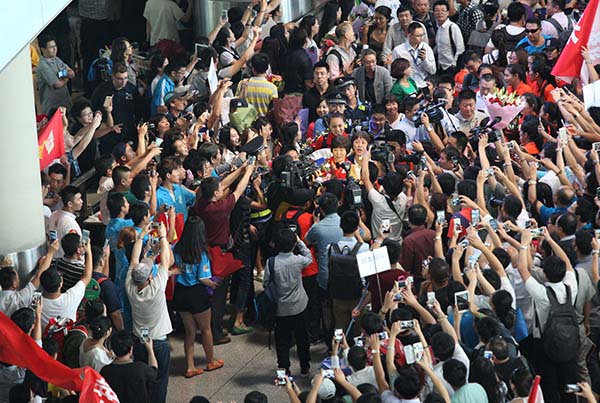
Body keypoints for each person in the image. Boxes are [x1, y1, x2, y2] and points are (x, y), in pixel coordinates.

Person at [126, 222, 173, 403]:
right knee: (160, 381)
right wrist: (162, 236)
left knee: (144, 381)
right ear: (150, 277)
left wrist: (141, 236)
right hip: (158, 341)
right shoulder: (156, 290)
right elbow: (167, 260)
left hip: (139, 340)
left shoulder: (130, 287)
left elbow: (134, 260)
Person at [172, 216, 224, 378]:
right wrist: (214, 284)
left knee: (190, 332)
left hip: (180, 293)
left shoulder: (177, 248)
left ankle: (190, 366)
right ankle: (210, 361)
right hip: (197, 294)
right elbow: (203, 278)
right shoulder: (201, 254)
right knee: (206, 329)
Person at [263, 228, 313, 375]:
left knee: (282, 341)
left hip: (280, 309)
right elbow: (309, 257)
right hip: (299, 306)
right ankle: (305, 365)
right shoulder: (298, 260)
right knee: (302, 338)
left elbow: (266, 282)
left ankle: (284, 368)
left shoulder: (271, 262)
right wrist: (300, 242)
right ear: (293, 245)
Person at [40, 240, 93, 327]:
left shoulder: (37, 303)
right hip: (67, 338)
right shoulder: (71, 298)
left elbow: (39, 276)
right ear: (61, 284)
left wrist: (49, 255)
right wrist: (89, 252)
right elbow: (87, 277)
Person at [0, 240, 56, 316]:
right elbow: (39, 277)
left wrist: (3, 268)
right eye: (18, 278)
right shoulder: (19, 299)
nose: (19, 279)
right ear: (14, 284)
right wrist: (50, 253)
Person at [101, 330, 158, 403]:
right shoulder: (140, 368)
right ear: (131, 349)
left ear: (113, 349)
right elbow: (154, 371)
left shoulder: (106, 371)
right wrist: (150, 350)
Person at [36, 35, 74, 114]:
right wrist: (66, 77)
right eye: (51, 47)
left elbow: (72, 73)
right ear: (43, 49)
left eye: (55, 46)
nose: (55, 49)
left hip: (65, 101)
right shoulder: (43, 65)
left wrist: (62, 74)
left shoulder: (56, 59)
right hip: (53, 106)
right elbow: (57, 84)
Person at [391, 22, 436, 88]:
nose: (421, 38)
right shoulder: (398, 50)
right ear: (409, 35)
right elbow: (394, 73)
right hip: (407, 86)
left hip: (424, 84)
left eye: (422, 35)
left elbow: (433, 71)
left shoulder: (426, 47)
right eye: (418, 36)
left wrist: (424, 60)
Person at [47, 185, 83, 258]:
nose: (81, 201)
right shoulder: (70, 224)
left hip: (55, 259)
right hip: (67, 262)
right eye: (78, 199)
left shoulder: (54, 214)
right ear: (70, 204)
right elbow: (75, 249)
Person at [433, 0, 465, 76]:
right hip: (440, 66)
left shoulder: (453, 27)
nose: (440, 13)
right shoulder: (438, 28)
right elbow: (438, 46)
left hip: (450, 67)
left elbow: (460, 48)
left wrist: (454, 64)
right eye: (437, 11)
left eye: (443, 10)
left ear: (448, 13)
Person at [282, 27, 314, 94]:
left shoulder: (286, 53)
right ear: (305, 41)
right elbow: (308, 83)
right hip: (300, 93)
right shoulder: (304, 58)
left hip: (287, 91)